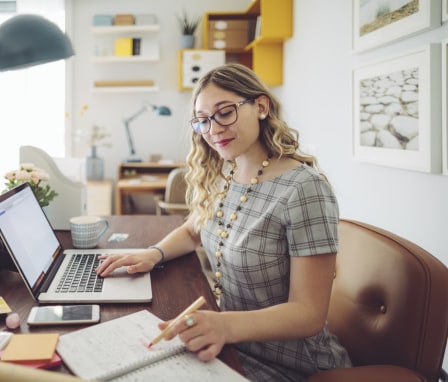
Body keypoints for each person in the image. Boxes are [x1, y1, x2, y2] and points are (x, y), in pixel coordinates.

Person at [96, 63, 352, 381]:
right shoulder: (226, 172)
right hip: (232, 344)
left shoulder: (304, 188)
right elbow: (194, 229)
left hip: (291, 364)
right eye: (203, 121)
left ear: (260, 106)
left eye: (225, 113)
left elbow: (309, 314)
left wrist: (224, 325)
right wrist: (153, 254)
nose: (214, 129)